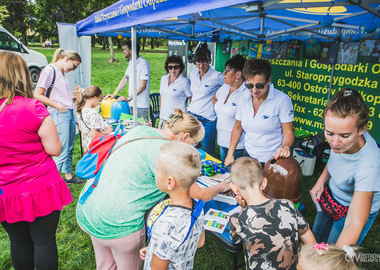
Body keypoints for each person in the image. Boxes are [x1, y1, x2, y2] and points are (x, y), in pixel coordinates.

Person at [76, 109, 230, 270]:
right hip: (119, 223)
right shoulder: (168, 155)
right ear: (185, 137)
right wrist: (221, 186)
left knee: (105, 265)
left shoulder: (141, 130)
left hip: (90, 207)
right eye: (195, 143)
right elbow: (200, 195)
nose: (194, 147)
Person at [0, 52, 73, 269]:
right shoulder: (32, 107)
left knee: (19, 241)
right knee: (43, 242)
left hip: (6, 189)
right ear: (22, 75)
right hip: (40, 186)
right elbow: (55, 148)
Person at [310, 88, 380, 246]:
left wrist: (335, 258)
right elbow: (336, 159)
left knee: (334, 249)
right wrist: (321, 181)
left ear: (362, 129)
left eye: (344, 136)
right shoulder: (343, 136)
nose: (334, 142)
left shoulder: (370, 166)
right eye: (329, 133)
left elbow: (354, 223)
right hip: (332, 196)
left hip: (351, 209)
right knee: (316, 240)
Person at [228, 156, 316, 269]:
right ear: (264, 182)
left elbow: (236, 239)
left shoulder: (237, 219)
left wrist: (243, 209)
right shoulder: (287, 205)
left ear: (234, 188)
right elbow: (306, 233)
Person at [139, 141, 205, 269]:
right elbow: (200, 242)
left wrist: (159, 247)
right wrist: (155, 249)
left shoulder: (165, 225)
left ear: (170, 182)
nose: (154, 171)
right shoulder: (197, 207)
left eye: (157, 170)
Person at [224, 58, 294, 166]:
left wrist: (284, 147)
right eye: (249, 86)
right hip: (248, 155)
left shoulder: (282, 100)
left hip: (272, 159)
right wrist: (230, 153)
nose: (254, 91)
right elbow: (238, 127)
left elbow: (288, 132)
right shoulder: (243, 98)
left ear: (269, 80)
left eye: (260, 85)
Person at [34, 48, 84, 184]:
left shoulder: (61, 73)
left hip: (67, 110)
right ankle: (50, 183)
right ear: (67, 59)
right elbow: (37, 94)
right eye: (74, 66)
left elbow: (59, 96)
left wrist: (73, 98)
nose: (73, 69)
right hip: (59, 113)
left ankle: (68, 176)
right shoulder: (49, 70)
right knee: (61, 148)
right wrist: (58, 106)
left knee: (69, 146)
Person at [187, 43, 224, 156]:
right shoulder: (193, 74)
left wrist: (218, 98)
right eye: (198, 62)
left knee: (208, 152)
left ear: (210, 61)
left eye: (204, 62)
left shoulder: (217, 76)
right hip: (193, 116)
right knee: (191, 150)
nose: (201, 65)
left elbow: (231, 85)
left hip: (208, 119)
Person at [213, 54, 247, 163]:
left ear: (238, 74)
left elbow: (241, 124)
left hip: (238, 146)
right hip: (222, 141)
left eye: (227, 70)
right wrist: (222, 112)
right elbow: (214, 99)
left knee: (235, 176)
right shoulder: (224, 87)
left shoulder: (246, 93)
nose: (224, 73)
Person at [106, 41, 150, 120]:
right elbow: (125, 79)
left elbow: (143, 86)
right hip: (132, 104)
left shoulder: (143, 63)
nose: (123, 51)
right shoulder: (131, 62)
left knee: (142, 130)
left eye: (125, 49)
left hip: (141, 106)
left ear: (131, 50)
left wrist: (129, 98)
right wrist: (114, 94)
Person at [158, 55, 191, 128]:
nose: (173, 70)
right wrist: (161, 111)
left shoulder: (184, 82)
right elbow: (161, 96)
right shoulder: (163, 79)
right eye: (170, 67)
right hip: (163, 118)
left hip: (176, 120)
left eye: (176, 67)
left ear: (180, 68)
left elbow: (191, 98)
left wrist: (185, 113)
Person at [76, 85, 113, 151]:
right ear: (95, 98)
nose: (98, 103)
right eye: (99, 100)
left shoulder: (82, 110)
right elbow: (95, 134)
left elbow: (80, 128)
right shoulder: (93, 112)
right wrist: (107, 132)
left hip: (86, 146)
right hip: (95, 147)